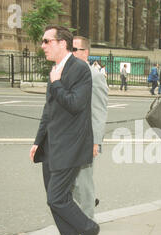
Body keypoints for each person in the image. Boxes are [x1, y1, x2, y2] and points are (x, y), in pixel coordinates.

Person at [29, 25, 100, 235]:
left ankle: (88, 228)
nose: (42, 45)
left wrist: (57, 83)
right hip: (51, 145)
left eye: (46, 41)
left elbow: (75, 104)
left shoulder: (80, 69)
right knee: (54, 198)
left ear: (62, 43)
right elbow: (48, 111)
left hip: (70, 146)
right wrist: (38, 142)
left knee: (56, 197)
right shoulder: (55, 69)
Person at [72, 35, 108, 220]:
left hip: (86, 138)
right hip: (67, 139)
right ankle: (89, 201)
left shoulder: (95, 76)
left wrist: (96, 142)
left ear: (85, 53)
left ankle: (88, 224)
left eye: (74, 49)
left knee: (84, 184)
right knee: (64, 183)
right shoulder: (64, 72)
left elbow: (99, 111)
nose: (70, 53)